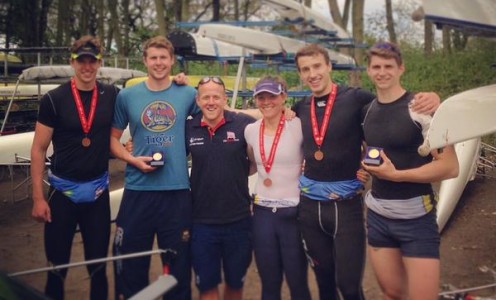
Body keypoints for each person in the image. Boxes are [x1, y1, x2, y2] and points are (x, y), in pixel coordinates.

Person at [291, 43, 441, 300]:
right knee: (324, 284)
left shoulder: (357, 98)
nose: (312, 74)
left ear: (328, 66)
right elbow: (269, 120)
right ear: (300, 74)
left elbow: (390, 115)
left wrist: (434, 99)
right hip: (309, 207)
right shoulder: (299, 107)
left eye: (317, 66)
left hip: (346, 205)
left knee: (349, 288)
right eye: (305, 69)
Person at [361, 41, 459, 300]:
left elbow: (450, 167)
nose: (382, 72)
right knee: (392, 292)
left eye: (388, 66)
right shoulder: (366, 111)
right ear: (368, 70)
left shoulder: (423, 109)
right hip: (378, 217)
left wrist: (397, 175)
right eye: (376, 66)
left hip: (417, 218)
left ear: (401, 68)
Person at [110, 35, 198, 299]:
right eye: (153, 58)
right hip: (139, 189)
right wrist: (131, 160)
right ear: (145, 61)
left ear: (172, 61)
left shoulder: (188, 93)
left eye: (163, 58)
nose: (158, 63)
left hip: (177, 191)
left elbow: (218, 112)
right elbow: (113, 139)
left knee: (178, 264)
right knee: (130, 262)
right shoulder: (127, 96)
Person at [31, 35, 118, 300]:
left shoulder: (112, 95)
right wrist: (37, 198)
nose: (87, 67)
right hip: (62, 195)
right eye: (82, 61)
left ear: (100, 62)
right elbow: (38, 149)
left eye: (92, 61)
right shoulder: (54, 99)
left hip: (97, 195)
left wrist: (176, 82)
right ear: (72, 62)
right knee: (57, 269)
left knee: (98, 268)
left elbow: (142, 102)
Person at [185, 76, 256, 300]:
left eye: (216, 96)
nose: (211, 102)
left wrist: (289, 112)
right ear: (197, 100)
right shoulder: (189, 127)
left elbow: (270, 115)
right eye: (206, 97)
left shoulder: (243, 123)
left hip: (239, 220)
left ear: (225, 99)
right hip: (201, 223)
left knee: (235, 285)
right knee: (207, 288)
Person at [244, 76, 311, 300]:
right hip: (262, 212)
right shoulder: (251, 131)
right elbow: (252, 165)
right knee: (269, 283)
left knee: (297, 283)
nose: (266, 102)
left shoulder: (298, 125)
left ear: (283, 97)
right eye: (261, 97)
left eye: (272, 96)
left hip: (293, 212)